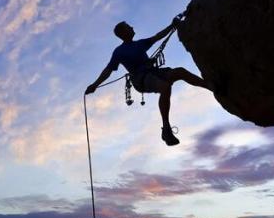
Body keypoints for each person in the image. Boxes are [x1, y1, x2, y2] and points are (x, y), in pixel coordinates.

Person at [85, 17, 213, 146]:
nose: (132, 28)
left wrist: (172, 25)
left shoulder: (139, 44)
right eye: (129, 27)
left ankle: (211, 86)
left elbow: (158, 37)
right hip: (140, 80)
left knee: (180, 72)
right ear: (123, 33)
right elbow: (108, 70)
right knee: (165, 87)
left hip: (152, 73)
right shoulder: (119, 52)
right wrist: (95, 85)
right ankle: (166, 129)